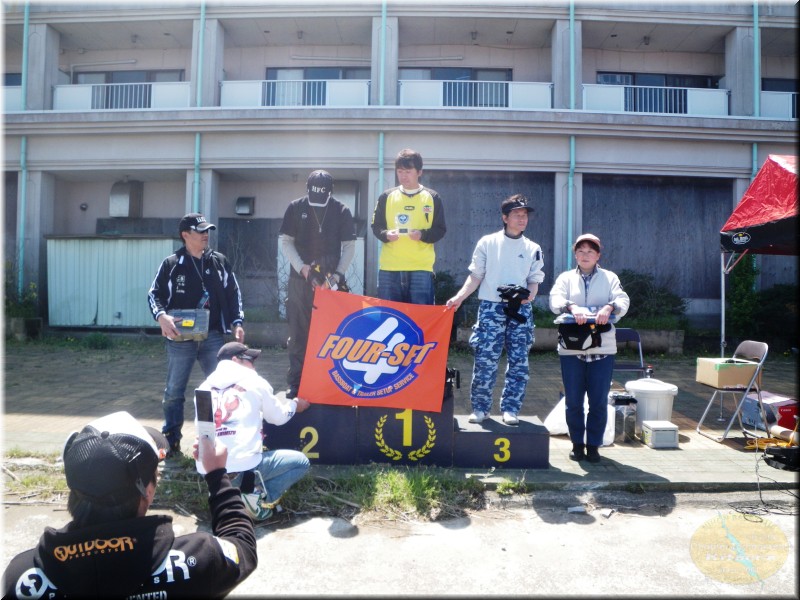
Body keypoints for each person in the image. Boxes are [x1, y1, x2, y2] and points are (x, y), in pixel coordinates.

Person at [2, 411, 257, 598]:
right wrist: (216, 474)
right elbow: (242, 545)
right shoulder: (198, 560)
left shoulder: (21, 579)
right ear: (147, 490)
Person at [147, 212, 246, 457]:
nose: (205, 235)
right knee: (174, 391)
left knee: (220, 389)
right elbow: (154, 294)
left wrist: (237, 322)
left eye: (207, 230)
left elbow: (233, 292)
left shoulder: (219, 262)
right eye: (200, 231)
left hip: (212, 337)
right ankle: (171, 441)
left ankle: (219, 439)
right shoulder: (172, 264)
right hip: (180, 338)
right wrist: (161, 316)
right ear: (185, 235)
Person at [445, 194, 545, 426]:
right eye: (517, 214)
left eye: (525, 215)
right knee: (485, 360)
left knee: (519, 361)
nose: (522, 219)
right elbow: (476, 276)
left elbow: (535, 280)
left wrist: (527, 296)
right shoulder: (488, 242)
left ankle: (511, 408)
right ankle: (480, 408)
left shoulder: (533, 247)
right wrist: (459, 298)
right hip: (491, 307)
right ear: (505, 217)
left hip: (520, 309)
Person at [196, 341, 312, 522]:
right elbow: (279, 418)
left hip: (210, 472)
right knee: (301, 462)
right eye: (250, 360)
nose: (254, 366)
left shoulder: (203, 388)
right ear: (236, 360)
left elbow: (204, 432)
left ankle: (223, 495)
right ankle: (255, 498)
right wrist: (295, 405)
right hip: (245, 469)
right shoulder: (256, 382)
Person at [549, 233, 630, 463]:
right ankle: (577, 444)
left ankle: (593, 446)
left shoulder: (610, 277)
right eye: (581, 251)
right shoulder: (565, 278)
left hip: (602, 348)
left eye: (590, 251)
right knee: (573, 401)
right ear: (575, 255)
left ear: (598, 255)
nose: (585, 255)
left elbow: (623, 300)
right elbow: (555, 301)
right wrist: (571, 306)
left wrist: (609, 307)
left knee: (598, 402)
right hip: (571, 348)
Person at [279, 170, 356, 399]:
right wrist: (302, 267)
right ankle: (296, 384)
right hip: (299, 279)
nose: (318, 199)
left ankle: (329, 384)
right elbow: (286, 241)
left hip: (331, 281)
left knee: (332, 335)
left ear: (330, 192)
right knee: (298, 334)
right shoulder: (295, 207)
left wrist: (337, 276)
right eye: (314, 195)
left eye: (322, 195)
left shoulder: (341, 210)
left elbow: (349, 246)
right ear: (307, 189)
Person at [371, 148, 446, 305]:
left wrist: (422, 235)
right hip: (390, 267)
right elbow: (376, 225)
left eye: (408, 171)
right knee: (390, 314)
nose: (403, 176)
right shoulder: (386, 197)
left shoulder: (433, 197)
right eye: (400, 171)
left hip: (421, 267)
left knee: (420, 317)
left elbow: (440, 230)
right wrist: (385, 234)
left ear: (419, 172)